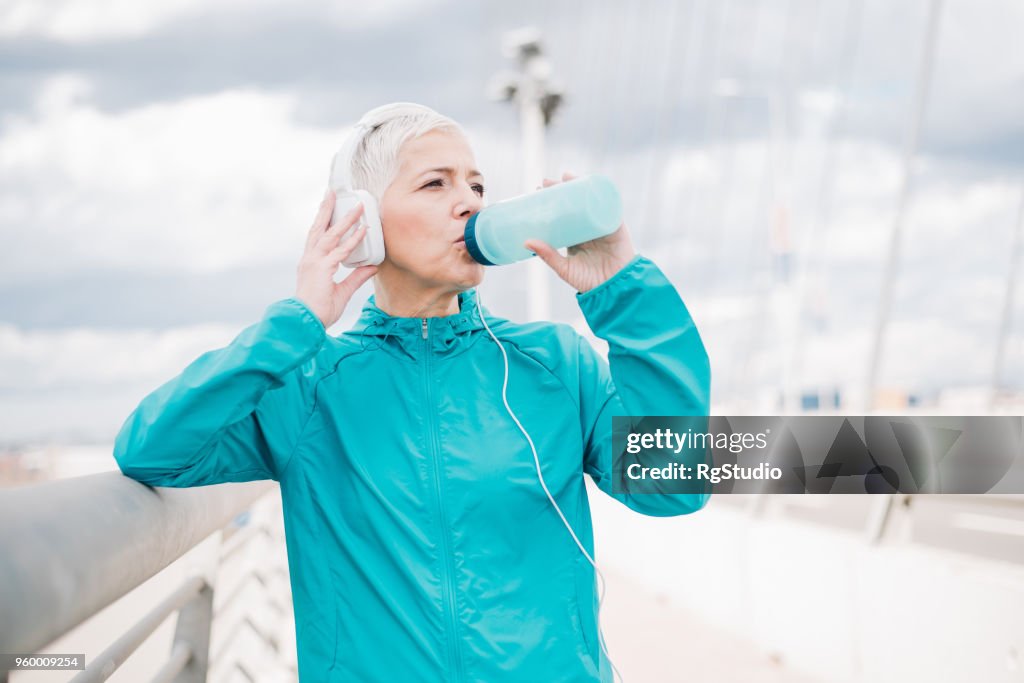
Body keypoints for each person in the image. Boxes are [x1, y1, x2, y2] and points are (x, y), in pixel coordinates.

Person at [113, 102, 711, 682]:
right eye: (436, 184)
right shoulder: (308, 384)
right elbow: (152, 449)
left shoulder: (553, 363)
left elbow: (677, 487)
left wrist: (623, 289)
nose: (470, 203)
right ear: (363, 223)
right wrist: (298, 320)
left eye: (477, 186)